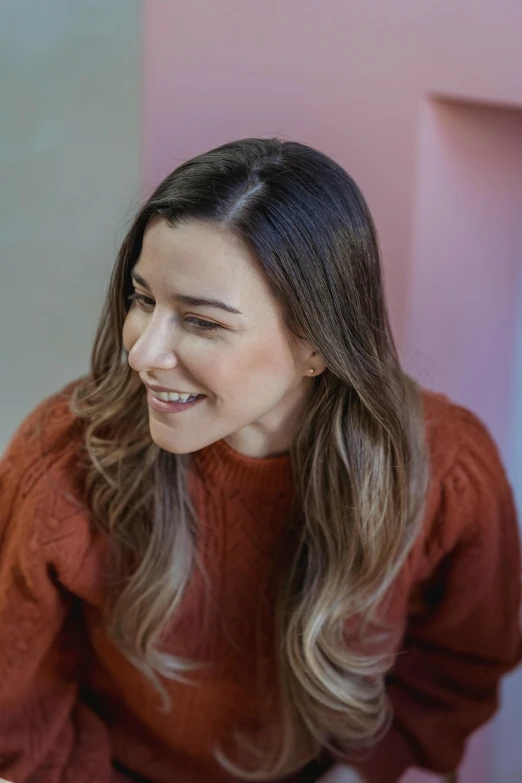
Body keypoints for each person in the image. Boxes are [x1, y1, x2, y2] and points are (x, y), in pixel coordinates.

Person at [0, 138, 520, 783]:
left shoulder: (449, 469)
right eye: (143, 300)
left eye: (203, 321)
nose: (143, 353)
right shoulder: (61, 454)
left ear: (317, 345)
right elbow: (15, 697)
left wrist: (361, 775)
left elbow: (459, 663)